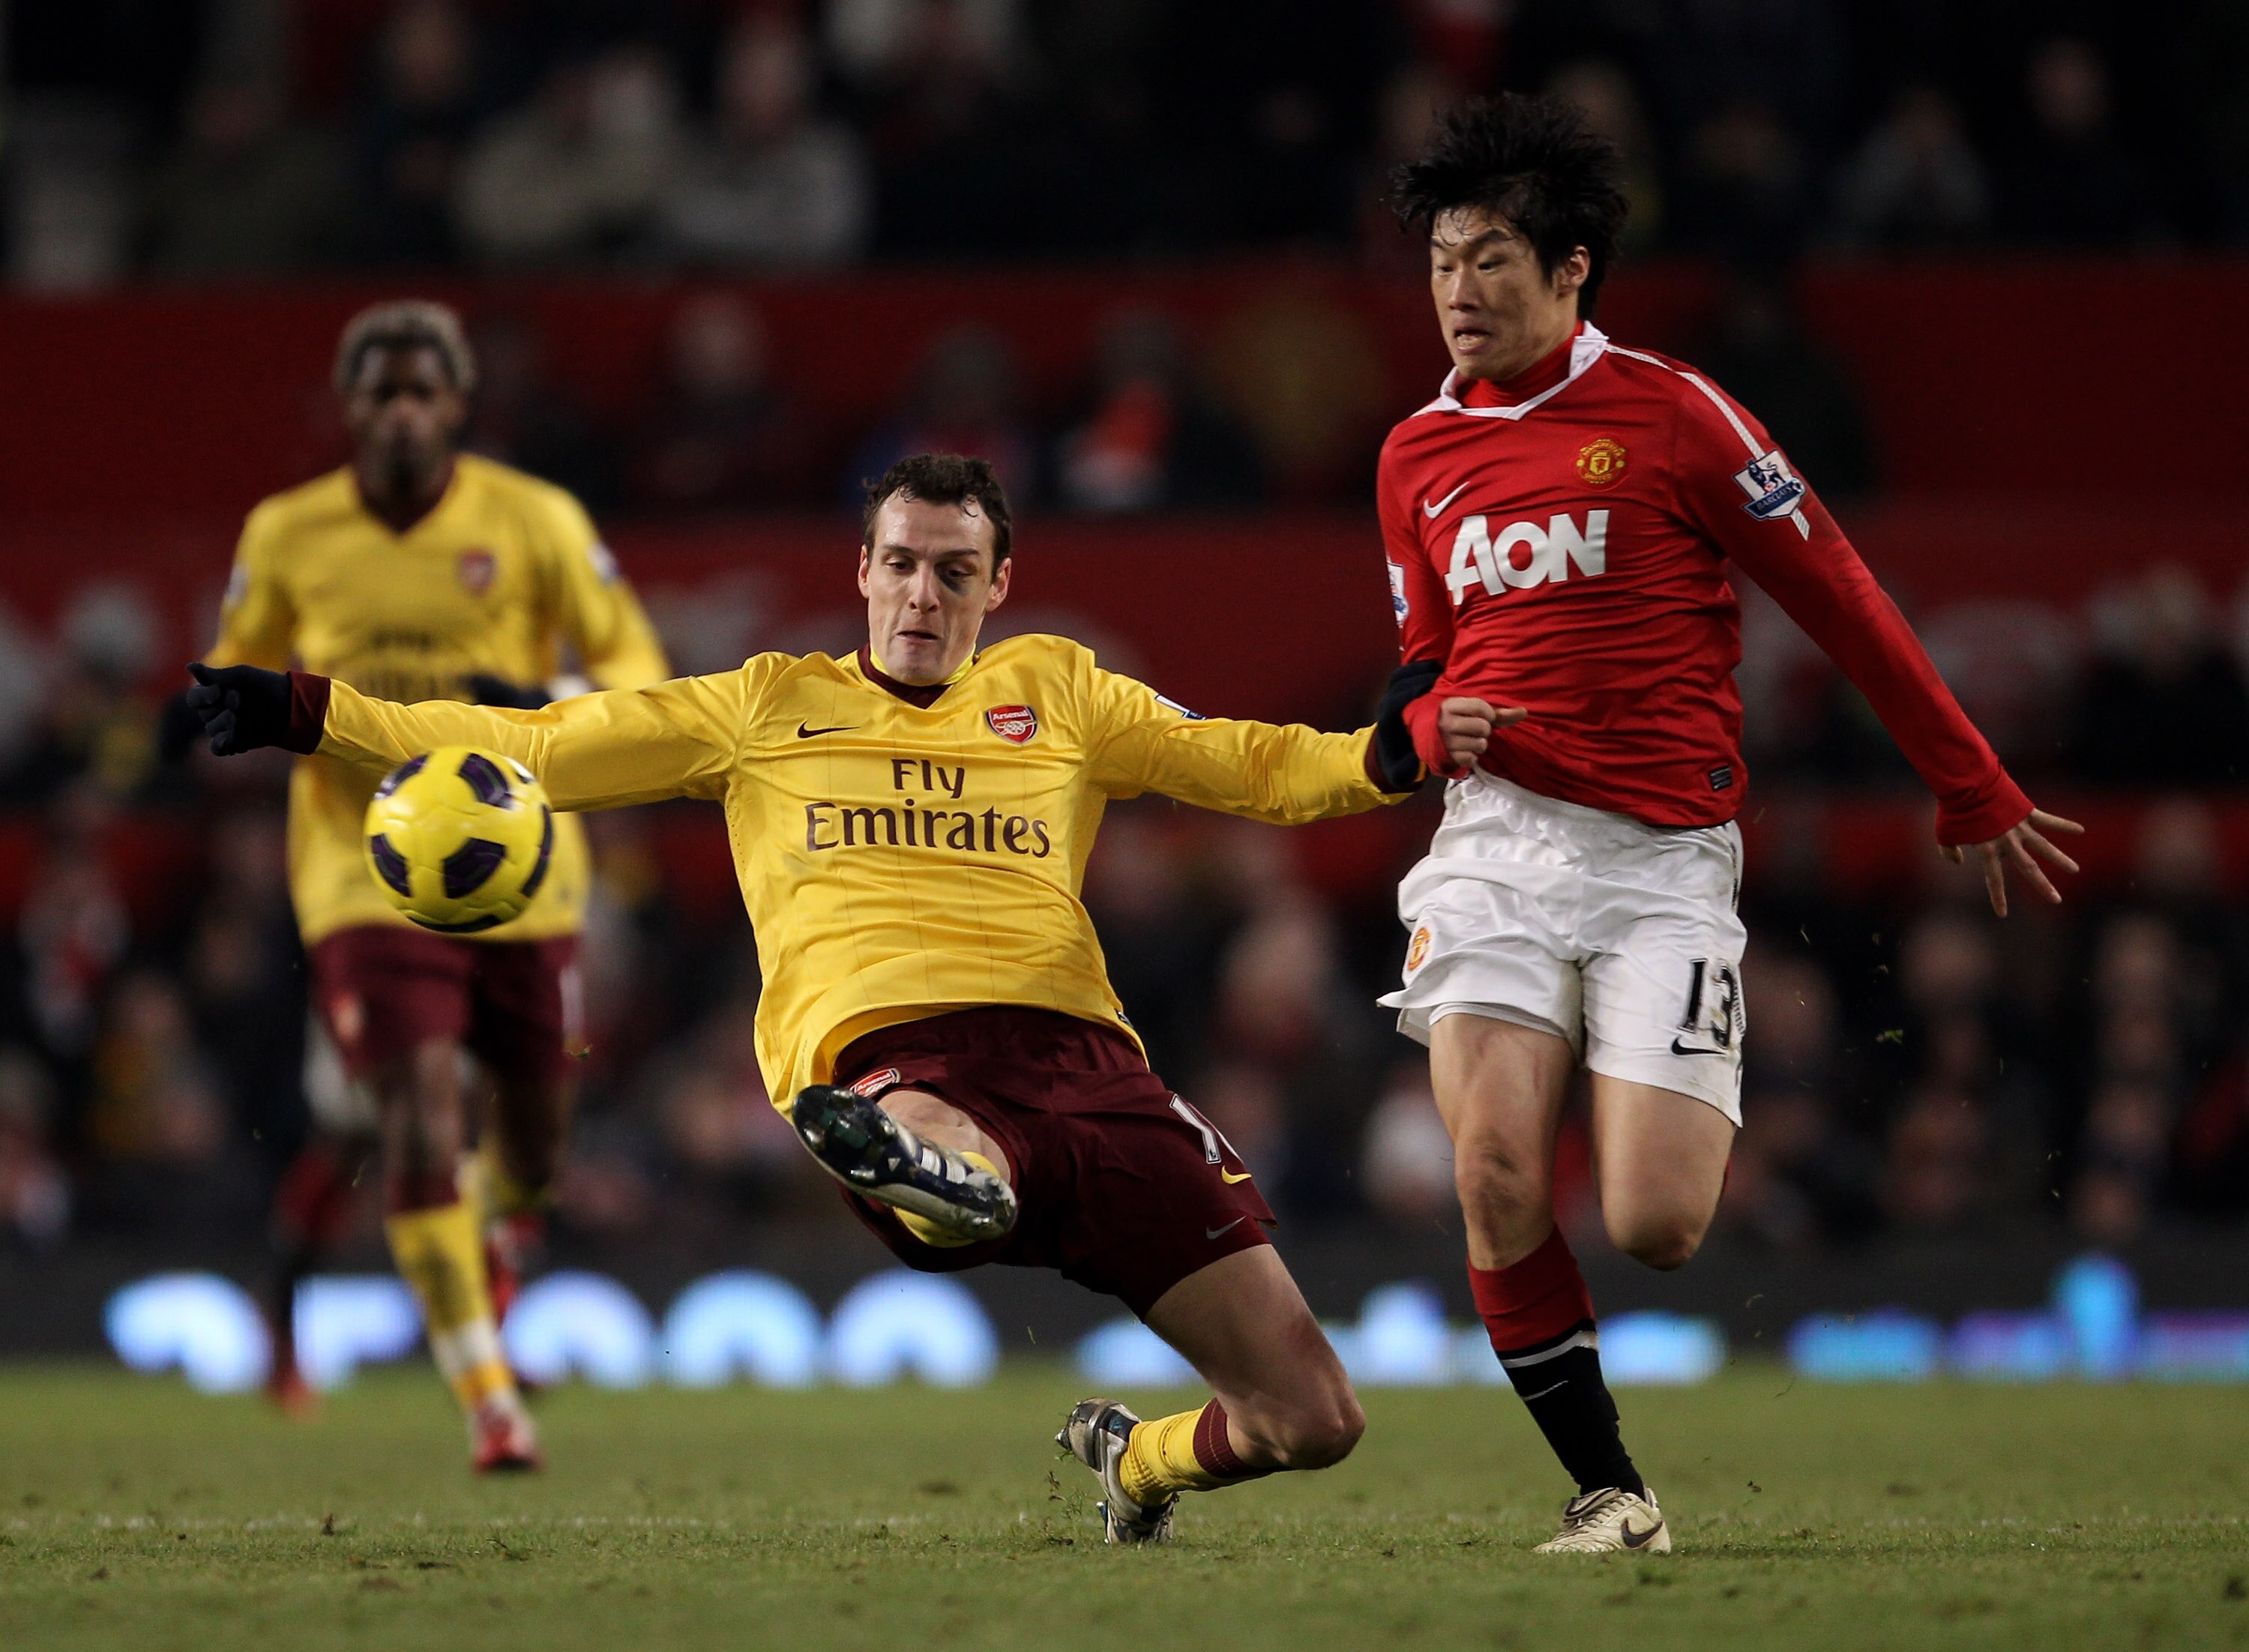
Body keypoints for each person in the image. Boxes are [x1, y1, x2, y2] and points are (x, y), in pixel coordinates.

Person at [185, 453, 1425, 1544]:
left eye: (955, 572)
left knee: (1311, 1417)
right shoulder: (764, 708)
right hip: (889, 1049)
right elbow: (541, 747)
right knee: (942, 1145)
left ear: (1000, 586)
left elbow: (1248, 762)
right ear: (863, 571)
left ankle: (1132, 1459)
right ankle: (927, 1166)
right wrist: (310, 711)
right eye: (901, 565)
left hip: (1092, 1065)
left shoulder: (1063, 694)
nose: (923, 596)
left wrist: (1385, 757)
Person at [1370, 96, 2083, 1553]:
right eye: (1442, 259)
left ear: (1573, 269)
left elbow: (1842, 593)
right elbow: (1419, 669)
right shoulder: (1413, 457)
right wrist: (1425, 730)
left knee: (1656, 1222)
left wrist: (1970, 779)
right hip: (1496, 848)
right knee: (1495, 1164)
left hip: (1659, 868)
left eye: (1491, 256)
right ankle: (1609, 1491)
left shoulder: (1678, 414)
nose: (1458, 288)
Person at [196, 300, 669, 1465]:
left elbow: (637, 666)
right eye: (382, 392)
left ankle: (468, 1263)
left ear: (457, 404)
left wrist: (539, 700)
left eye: (424, 392)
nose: (404, 411)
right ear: (351, 407)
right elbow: (235, 668)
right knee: (412, 1109)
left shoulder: (536, 519)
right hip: (361, 870)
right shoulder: (290, 530)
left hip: (525, 869)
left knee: (530, 1140)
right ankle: (487, 1400)